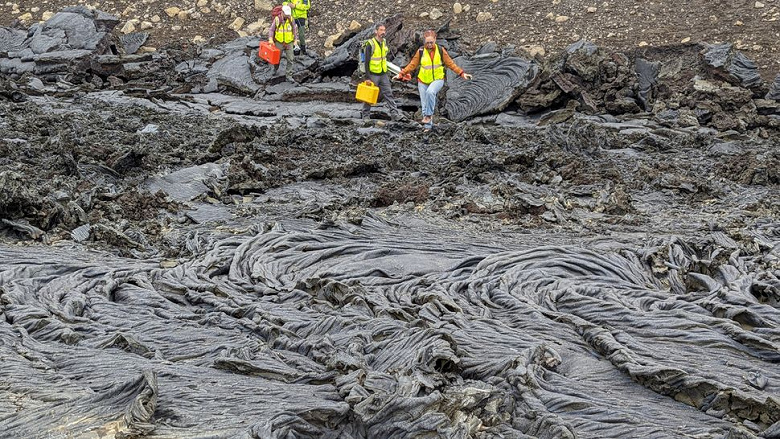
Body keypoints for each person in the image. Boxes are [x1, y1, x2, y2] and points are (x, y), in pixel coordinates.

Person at [397, 30, 472, 130]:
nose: (429, 44)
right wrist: (401, 74)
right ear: (424, 41)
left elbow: (450, 64)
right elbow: (412, 65)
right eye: (427, 42)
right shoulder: (421, 51)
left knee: (430, 92)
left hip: (437, 79)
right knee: (424, 105)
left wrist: (462, 73)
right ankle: (428, 127)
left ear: (435, 40)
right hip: (422, 81)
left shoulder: (440, 50)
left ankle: (428, 116)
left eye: (431, 42)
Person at [361, 24, 405, 121]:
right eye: (381, 30)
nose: (383, 32)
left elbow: (385, 58)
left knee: (388, 93)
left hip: (383, 73)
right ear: (376, 31)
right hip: (373, 74)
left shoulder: (384, 42)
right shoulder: (370, 44)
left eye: (384, 30)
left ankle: (395, 114)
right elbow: (366, 62)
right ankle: (365, 115)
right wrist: (367, 77)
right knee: (369, 95)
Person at [268, 5, 299, 82]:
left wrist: (295, 40)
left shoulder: (291, 19)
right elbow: (271, 30)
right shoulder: (277, 19)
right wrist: (270, 39)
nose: (287, 15)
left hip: (289, 42)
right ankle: (275, 69)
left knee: (290, 59)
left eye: (288, 14)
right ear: (282, 12)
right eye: (286, 14)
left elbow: (294, 30)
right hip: (279, 42)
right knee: (277, 58)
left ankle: (289, 75)